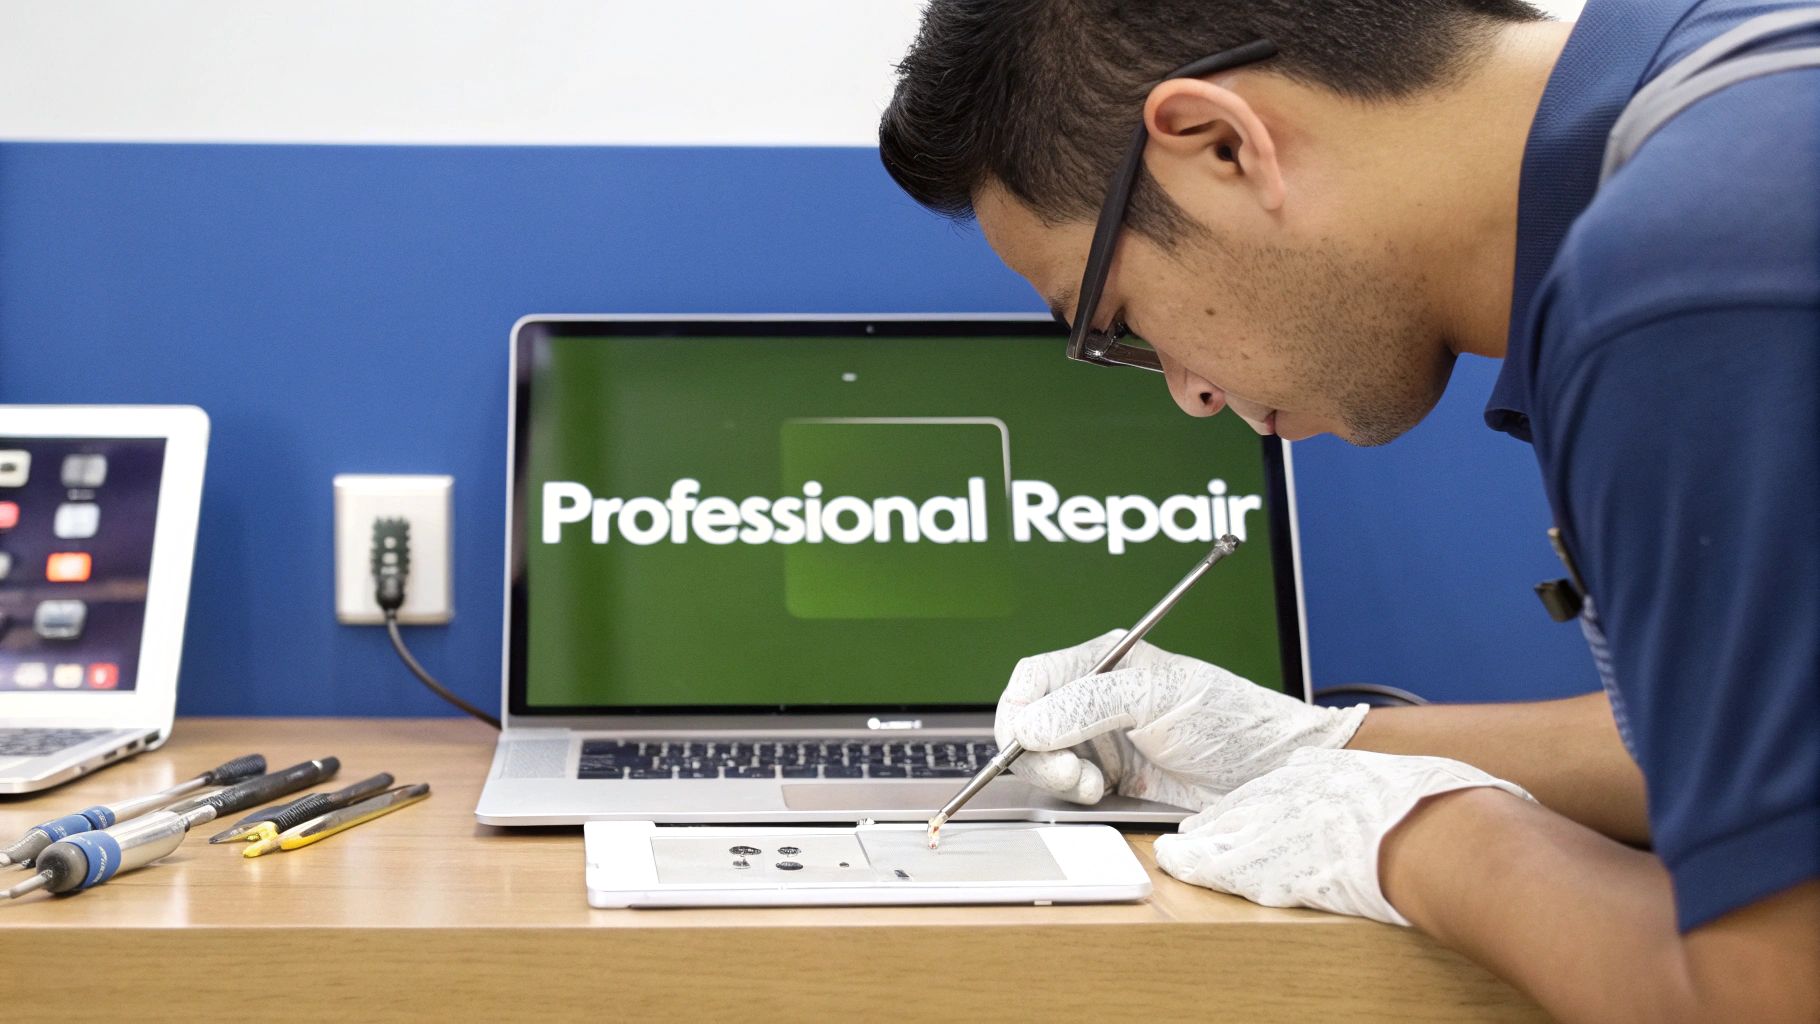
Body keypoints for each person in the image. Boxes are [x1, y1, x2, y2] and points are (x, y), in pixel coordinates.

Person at [877, 0, 1819, 1020]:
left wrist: (1429, 840)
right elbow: (1751, 756)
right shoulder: (1741, 75)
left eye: (1115, 320)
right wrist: (1312, 748)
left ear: (1221, 145)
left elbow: (1763, 1001)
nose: (1191, 394)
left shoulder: (1686, 280)